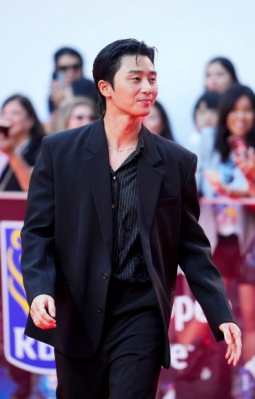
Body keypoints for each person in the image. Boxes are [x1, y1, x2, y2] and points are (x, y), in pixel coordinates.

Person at [20, 38, 241, 399]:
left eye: (152, 79)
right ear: (105, 87)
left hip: (141, 311)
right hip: (77, 310)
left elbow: (192, 246)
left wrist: (222, 313)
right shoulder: (59, 152)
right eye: (136, 78)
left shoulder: (176, 162)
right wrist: (39, 290)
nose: (147, 88)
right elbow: (37, 234)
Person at [200, 84, 255, 395]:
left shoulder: (253, 147)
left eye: (248, 109)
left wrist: (249, 177)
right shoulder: (211, 142)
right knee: (208, 314)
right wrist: (229, 188)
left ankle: (246, 384)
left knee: (248, 318)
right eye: (235, 109)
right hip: (216, 242)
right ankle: (193, 376)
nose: (241, 116)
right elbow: (203, 185)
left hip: (248, 242)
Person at [0, 94, 45, 191]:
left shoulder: (41, 149)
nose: (8, 118)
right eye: (4, 113)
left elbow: (33, 188)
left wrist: (11, 153)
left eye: (15, 113)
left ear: (31, 120)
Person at [48, 46, 98, 114]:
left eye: (75, 67)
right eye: (63, 68)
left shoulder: (90, 87)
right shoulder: (54, 91)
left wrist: (65, 101)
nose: (70, 73)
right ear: (56, 71)